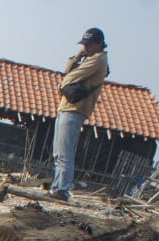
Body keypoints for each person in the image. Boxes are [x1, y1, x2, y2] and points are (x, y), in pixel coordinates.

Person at [48, 27, 109, 201]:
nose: (86, 47)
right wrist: (78, 55)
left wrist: (62, 84)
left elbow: (68, 78)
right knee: (58, 152)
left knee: (65, 152)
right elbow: (68, 70)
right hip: (66, 107)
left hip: (75, 109)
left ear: (99, 44)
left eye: (89, 44)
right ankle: (57, 186)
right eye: (85, 44)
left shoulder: (98, 59)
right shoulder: (88, 58)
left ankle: (62, 189)